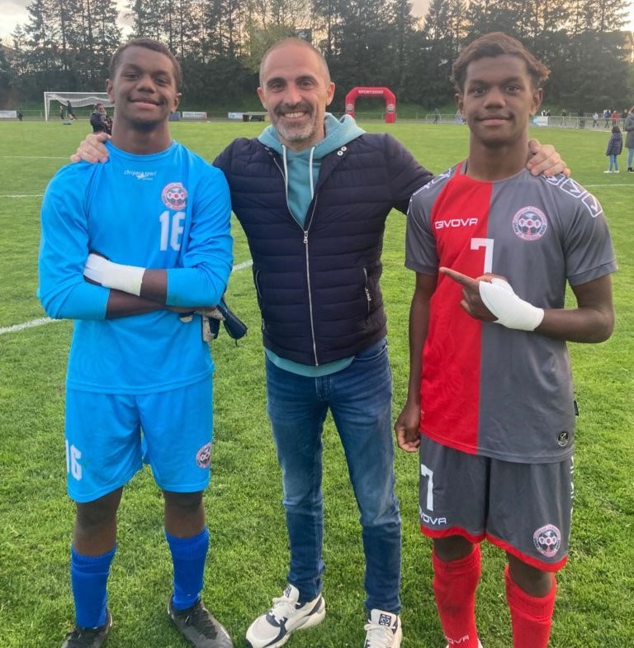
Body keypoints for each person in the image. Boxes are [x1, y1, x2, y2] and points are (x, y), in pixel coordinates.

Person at [71, 37, 567, 648]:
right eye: (278, 85)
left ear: (329, 92)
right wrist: (100, 150)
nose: (292, 97)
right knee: (297, 496)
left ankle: (383, 608)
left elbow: (454, 205)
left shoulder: (378, 154)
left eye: (305, 82)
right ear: (262, 95)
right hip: (284, 368)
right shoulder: (240, 162)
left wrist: (528, 156)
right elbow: (169, 185)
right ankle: (304, 593)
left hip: (361, 363)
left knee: (376, 502)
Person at [395, 32, 616, 648]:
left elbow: (601, 320)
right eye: (480, 89)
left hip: (533, 417)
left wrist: (526, 316)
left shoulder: (572, 203)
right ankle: (460, 642)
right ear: (461, 102)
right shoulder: (429, 201)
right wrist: (414, 398)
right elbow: (423, 299)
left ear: (534, 99)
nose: (495, 99)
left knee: (532, 560)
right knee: (449, 542)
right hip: (449, 411)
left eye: (511, 87)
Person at [38, 38, 234, 648]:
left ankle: (187, 605)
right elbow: (59, 295)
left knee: (186, 498)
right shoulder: (75, 183)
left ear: (176, 95)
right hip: (100, 379)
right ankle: (90, 623)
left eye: (160, 78)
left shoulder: (203, 180)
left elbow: (209, 283)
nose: (146, 85)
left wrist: (108, 273)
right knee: (95, 506)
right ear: (111, 89)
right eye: (133, 75)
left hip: (180, 375)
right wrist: (172, 296)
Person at [624, 107, 634, 172]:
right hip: (631, 138)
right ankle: (629, 167)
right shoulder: (629, 118)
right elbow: (626, 127)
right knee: (631, 153)